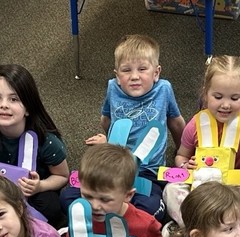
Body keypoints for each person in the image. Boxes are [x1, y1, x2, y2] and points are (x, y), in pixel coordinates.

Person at [77, 33, 185, 221]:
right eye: (126, 70)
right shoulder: (113, 88)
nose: (134, 76)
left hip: (148, 169)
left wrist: (183, 152)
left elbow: (175, 122)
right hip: (116, 167)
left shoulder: (164, 89)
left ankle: (117, 213)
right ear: (117, 76)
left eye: (142, 69)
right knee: (72, 198)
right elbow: (106, 119)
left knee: (152, 209)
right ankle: (114, 210)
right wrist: (108, 145)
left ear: (156, 73)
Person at [163, 54, 240, 226]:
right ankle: (196, 227)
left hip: (233, 186)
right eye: (218, 97)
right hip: (201, 184)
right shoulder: (197, 122)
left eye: (234, 98)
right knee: (171, 190)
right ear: (205, 94)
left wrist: (226, 179)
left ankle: (208, 228)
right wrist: (184, 165)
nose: (225, 105)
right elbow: (181, 155)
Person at [0, 64, 70, 229]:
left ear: (28, 107)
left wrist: (40, 185)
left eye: (14, 99)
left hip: (30, 192)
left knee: (51, 206)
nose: (4, 105)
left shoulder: (46, 141)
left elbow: (63, 176)